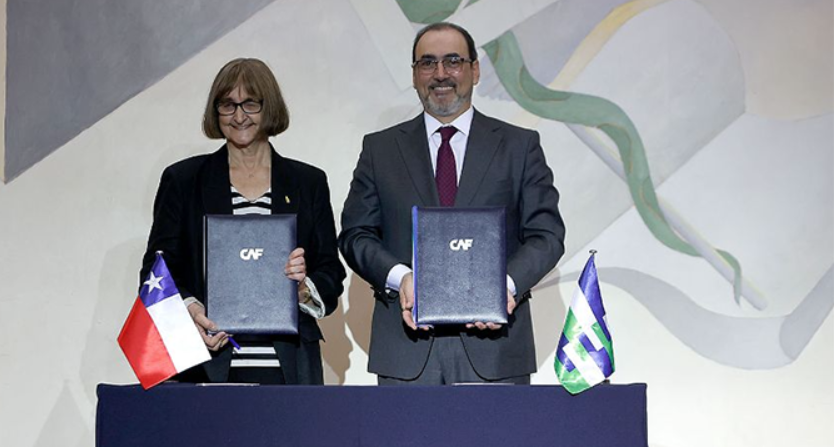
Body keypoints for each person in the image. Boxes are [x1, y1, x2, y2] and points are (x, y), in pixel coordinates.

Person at [338, 22, 565, 385]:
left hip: (496, 350)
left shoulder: (519, 146)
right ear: (414, 75)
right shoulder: (379, 150)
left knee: (498, 445)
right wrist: (401, 279)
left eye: (453, 61)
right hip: (406, 351)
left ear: (475, 70)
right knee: (402, 446)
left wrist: (503, 286)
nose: (440, 74)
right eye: (427, 63)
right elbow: (356, 234)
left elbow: (547, 234)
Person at [139, 57, 345, 384]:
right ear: (215, 111)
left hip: (290, 369)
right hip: (206, 362)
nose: (238, 116)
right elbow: (157, 268)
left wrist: (304, 289)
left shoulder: (308, 182)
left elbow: (330, 271)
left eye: (250, 103)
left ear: (269, 106)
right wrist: (192, 312)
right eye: (227, 105)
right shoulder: (184, 180)